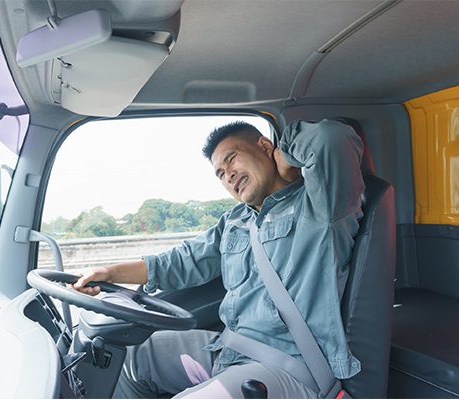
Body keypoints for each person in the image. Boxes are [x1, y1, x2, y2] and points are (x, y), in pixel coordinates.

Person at [72, 119, 365, 398]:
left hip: (289, 369)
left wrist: (285, 157)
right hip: (227, 350)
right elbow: (181, 262)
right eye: (220, 173)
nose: (229, 175)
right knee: (129, 357)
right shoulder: (236, 221)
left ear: (265, 147)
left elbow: (332, 138)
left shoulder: (321, 204)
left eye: (232, 158)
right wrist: (110, 273)